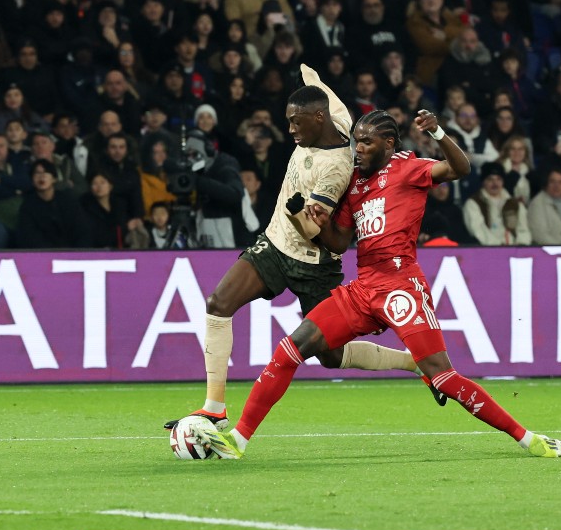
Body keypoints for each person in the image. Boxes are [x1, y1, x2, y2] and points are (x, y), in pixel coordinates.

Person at [193, 109, 561, 460]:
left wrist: (437, 132)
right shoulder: (354, 184)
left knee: (443, 374)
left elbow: (459, 168)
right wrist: (303, 218)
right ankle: (237, 440)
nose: (360, 149)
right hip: (363, 287)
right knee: (291, 349)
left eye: (368, 142)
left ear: (389, 144)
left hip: (401, 285)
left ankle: (527, 438)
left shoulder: (409, 168)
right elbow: (338, 242)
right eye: (357, 141)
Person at [182, 65, 439, 432]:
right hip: (274, 244)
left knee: (331, 357)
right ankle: (214, 408)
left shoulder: (335, 168)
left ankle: (415, 363)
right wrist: (308, 75)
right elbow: (320, 88)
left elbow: (316, 231)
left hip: (313, 262)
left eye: (295, 122)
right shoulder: (333, 115)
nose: (290, 130)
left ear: (317, 119)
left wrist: (297, 212)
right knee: (218, 303)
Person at [15, 160, 90, 249]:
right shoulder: (27, 206)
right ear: (32, 180)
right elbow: (29, 237)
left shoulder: (68, 201)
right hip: (43, 256)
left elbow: (82, 230)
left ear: (54, 179)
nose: (42, 177)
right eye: (37, 173)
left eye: (46, 172)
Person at [462, 161, 532, 246]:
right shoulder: (473, 204)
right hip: (488, 252)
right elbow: (478, 230)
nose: (495, 183)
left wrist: (521, 247)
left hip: (515, 252)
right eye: (490, 179)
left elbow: (524, 229)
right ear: (483, 182)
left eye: (498, 179)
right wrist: (499, 248)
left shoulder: (515, 204)